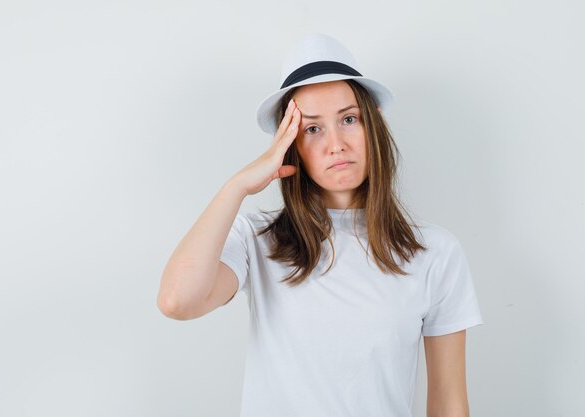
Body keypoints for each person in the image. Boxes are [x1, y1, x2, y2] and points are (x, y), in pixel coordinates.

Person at [157, 33, 484, 417]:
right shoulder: (256, 241)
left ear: (373, 126)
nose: (336, 144)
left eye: (349, 119)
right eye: (312, 128)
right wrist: (238, 185)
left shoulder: (434, 252)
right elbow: (177, 301)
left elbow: (448, 401)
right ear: (289, 142)